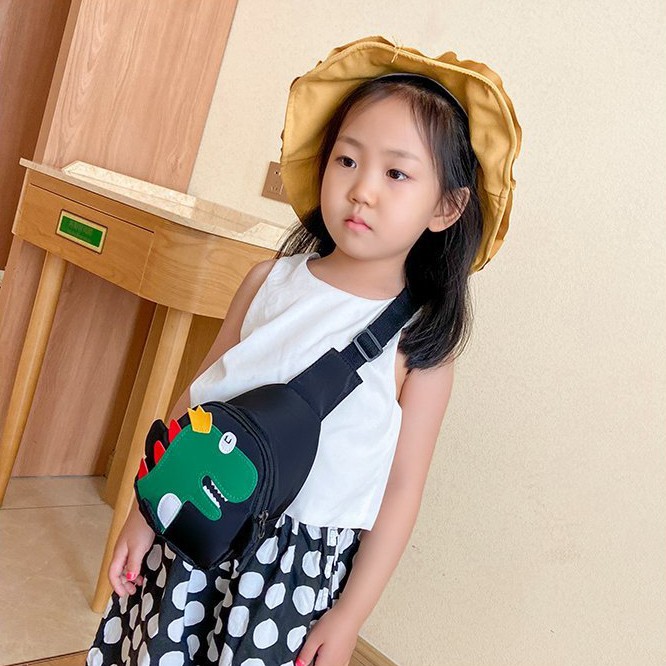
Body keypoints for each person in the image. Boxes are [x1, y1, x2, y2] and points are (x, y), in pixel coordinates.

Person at [86, 36, 521, 666]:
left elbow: (401, 491)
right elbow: (195, 408)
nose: (362, 189)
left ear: (447, 207)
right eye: (347, 160)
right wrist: (145, 511)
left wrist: (349, 618)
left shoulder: (420, 342)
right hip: (198, 519)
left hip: (292, 571)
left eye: (396, 173)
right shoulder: (267, 282)